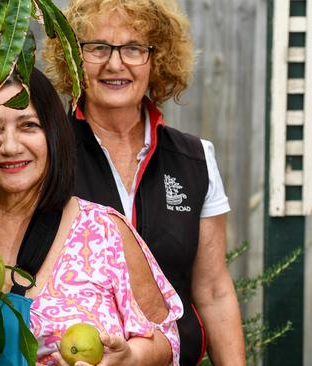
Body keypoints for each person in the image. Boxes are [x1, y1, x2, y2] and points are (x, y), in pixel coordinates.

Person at [0, 68, 183, 365]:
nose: (11, 146)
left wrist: (131, 358)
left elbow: (165, 338)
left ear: (53, 134)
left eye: (28, 125)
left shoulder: (103, 232)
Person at [43, 1, 246, 365]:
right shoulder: (45, 154)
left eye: (134, 48)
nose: (115, 63)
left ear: (158, 59)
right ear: (73, 59)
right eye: (97, 47)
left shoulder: (195, 160)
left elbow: (214, 292)